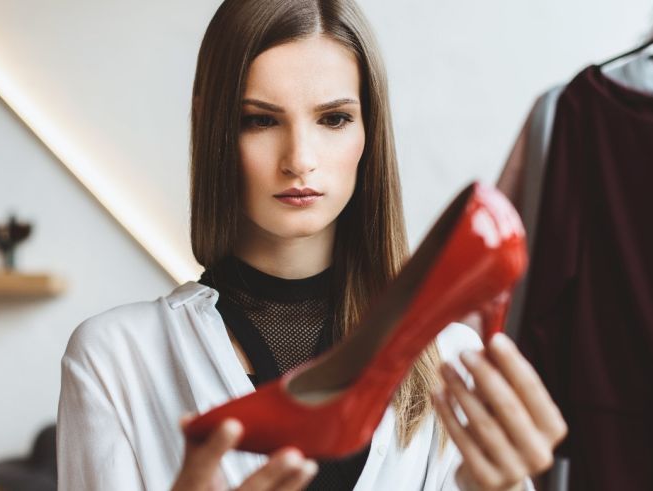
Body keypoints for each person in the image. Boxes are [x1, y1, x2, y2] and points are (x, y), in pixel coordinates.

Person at [57, 1, 567, 490]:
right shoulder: (116, 359)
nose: (299, 159)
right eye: (260, 119)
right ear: (212, 126)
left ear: (370, 130)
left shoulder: (451, 365)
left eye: (334, 119)